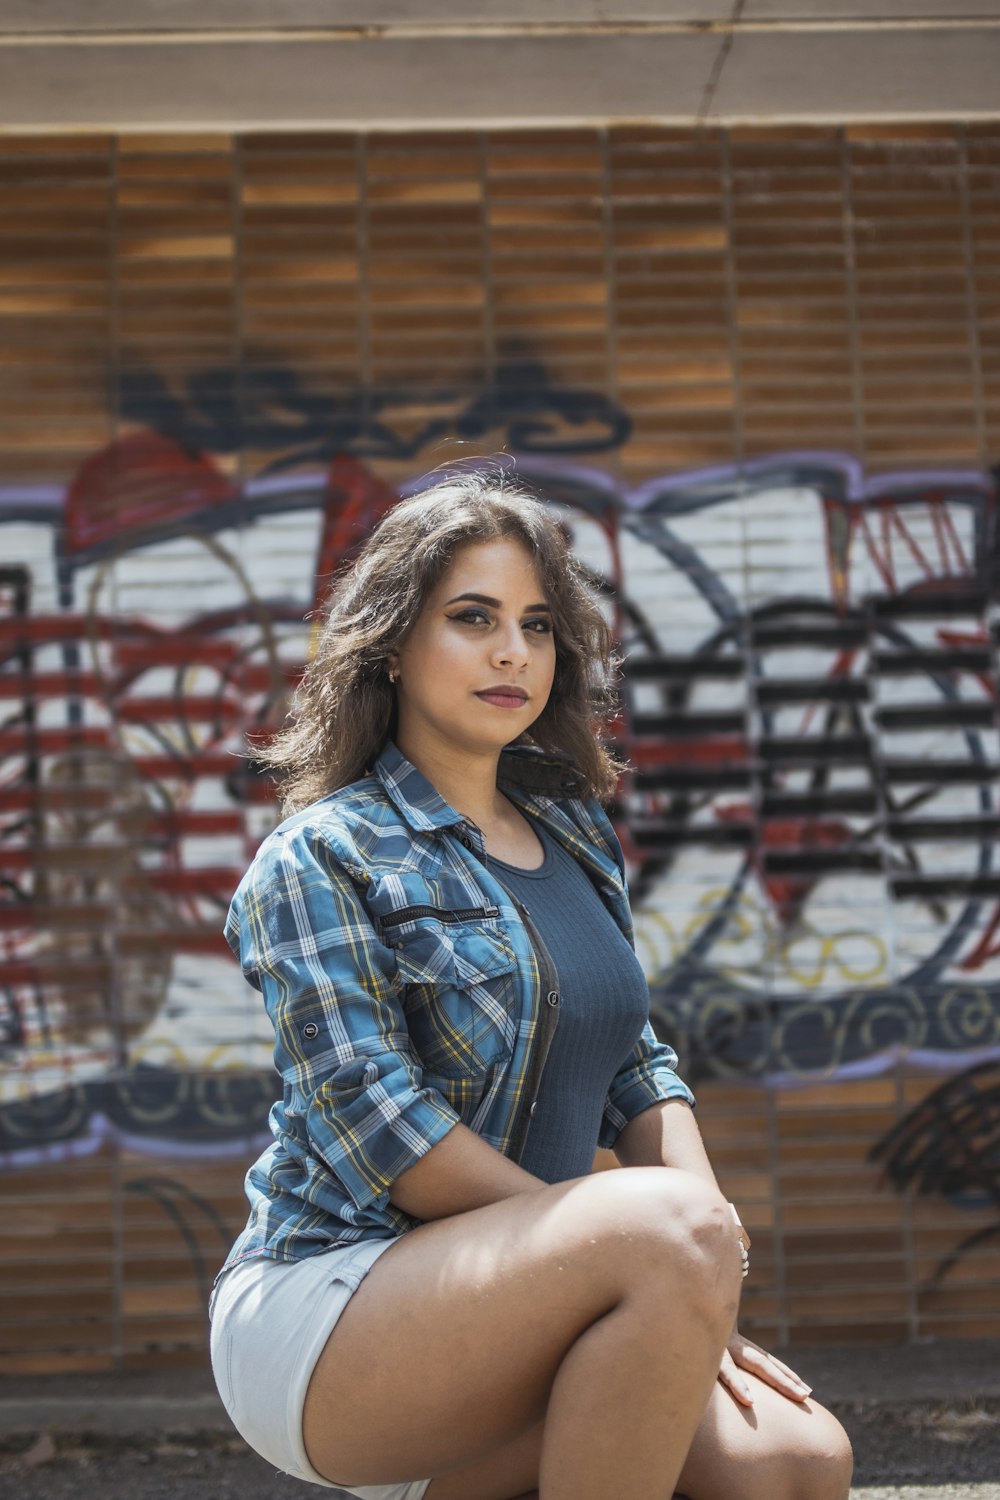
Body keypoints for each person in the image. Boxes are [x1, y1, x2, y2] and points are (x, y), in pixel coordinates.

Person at [209, 469, 853, 1500]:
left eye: (539, 624)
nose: (514, 650)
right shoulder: (318, 858)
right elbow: (388, 1135)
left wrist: (693, 1247)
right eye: (473, 618)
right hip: (335, 1305)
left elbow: (637, 1070)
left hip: (537, 1279)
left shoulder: (571, 831)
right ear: (390, 640)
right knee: (663, 1233)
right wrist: (636, 1245)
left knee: (796, 1462)